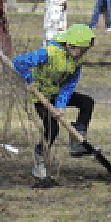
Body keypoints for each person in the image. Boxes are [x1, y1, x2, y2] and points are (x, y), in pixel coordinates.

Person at [11, 24, 95, 179]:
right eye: (81, 50)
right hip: (40, 95)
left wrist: (60, 105)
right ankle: (39, 158)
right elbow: (19, 62)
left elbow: (69, 84)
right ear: (69, 45)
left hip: (56, 94)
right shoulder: (49, 52)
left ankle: (77, 143)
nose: (82, 54)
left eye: (85, 51)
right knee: (52, 128)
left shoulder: (77, 60)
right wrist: (28, 79)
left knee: (87, 102)